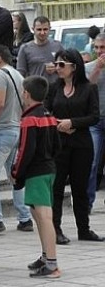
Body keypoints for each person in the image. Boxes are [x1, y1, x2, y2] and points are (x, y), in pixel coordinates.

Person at [45, 49, 103, 244]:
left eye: (62, 65)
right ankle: (56, 229)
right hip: (59, 145)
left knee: (80, 187)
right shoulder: (54, 88)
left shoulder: (88, 88)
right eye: (57, 64)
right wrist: (57, 123)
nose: (58, 68)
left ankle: (84, 229)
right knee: (57, 188)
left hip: (81, 144)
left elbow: (94, 116)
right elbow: (45, 112)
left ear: (74, 67)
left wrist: (72, 123)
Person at [11, 76, 62, 279]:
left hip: (36, 172)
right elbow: (58, 145)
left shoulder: (29, 119)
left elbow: (25, 151)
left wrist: (16, 172)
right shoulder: (49, 115)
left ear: (26, 94)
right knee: (39, 215)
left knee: (44, 217)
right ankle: (45, 256)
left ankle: (52, 264)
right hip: (49, 169)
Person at [0, 44, 33, 233]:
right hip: (16, 128)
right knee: (15, 175)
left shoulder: (0, 74)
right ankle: (25, 217)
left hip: (2, 129)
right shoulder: (18, 75)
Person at [16, 16, 62, 89]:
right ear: (33, 29)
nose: (42, 32)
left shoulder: (57, 46)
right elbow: (20, 73)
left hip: (55, 89)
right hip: (35, 90)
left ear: (50, 29)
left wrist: (56, 68)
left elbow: (66, 68)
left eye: (45, 29)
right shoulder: (25, 48)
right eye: (39, 29)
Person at [86, 33, 105, 211]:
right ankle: (87, 203)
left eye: (103, 48)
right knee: (91, 162)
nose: (99, 52)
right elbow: (86, 89)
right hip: (95, 121)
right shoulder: (89, 67)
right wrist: (97, 69)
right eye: (97, 48)